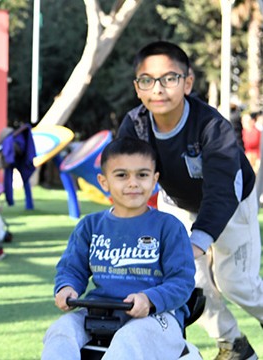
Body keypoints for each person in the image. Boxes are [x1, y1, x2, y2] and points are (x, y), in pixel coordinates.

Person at [117, 40, 263, 359]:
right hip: (178, 202)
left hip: (232, 203)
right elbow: (124, 177)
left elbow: (223, 190)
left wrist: (197, 241)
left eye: (169, 78)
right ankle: (233, 345)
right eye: (147, 80)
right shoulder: (135, 125)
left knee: (236, 284)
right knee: (189, 283)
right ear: (138, 88)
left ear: (188, 82)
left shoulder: (211, 126)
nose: (158, 89)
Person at [41, 137, 196, 360]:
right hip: (99, 314)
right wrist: (66, 288)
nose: (133, 183)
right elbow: (72, 269)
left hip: (157, 316)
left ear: (154, 180)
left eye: (142, 175)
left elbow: (182, 282)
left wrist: (149, 299)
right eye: (122, 175)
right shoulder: (90, 226)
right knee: (60, 330)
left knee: (129, 338)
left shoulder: (169, 227)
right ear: (104, 182)